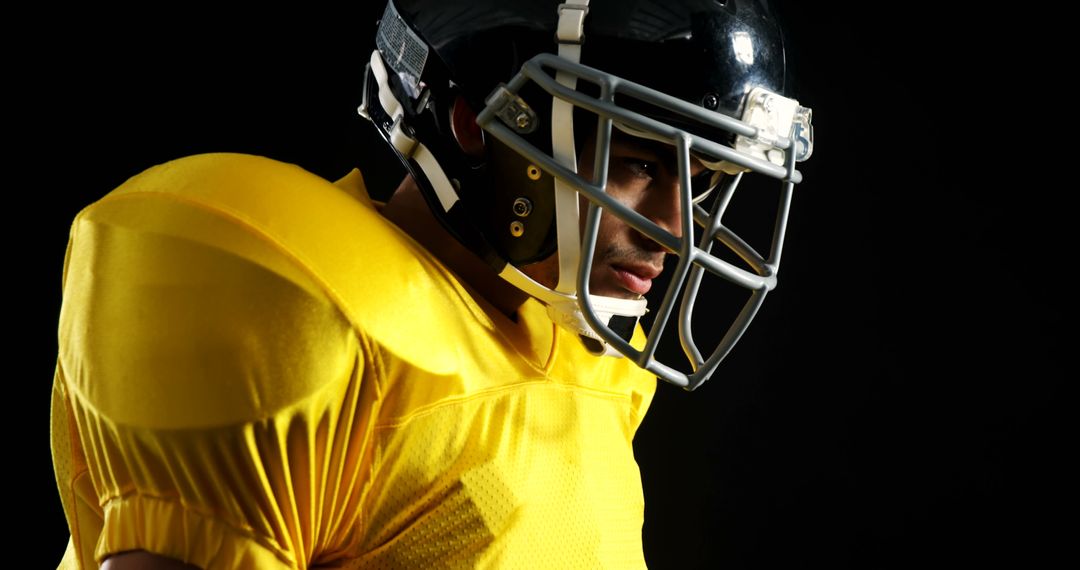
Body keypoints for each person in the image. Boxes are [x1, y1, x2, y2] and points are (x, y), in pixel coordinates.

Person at [51, 0, 813, 567]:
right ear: (478, 123)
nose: (676, 230)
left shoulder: (593, 363)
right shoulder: (298, 308)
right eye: (643, 165)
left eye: (698, 179)